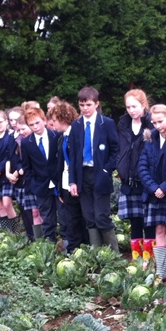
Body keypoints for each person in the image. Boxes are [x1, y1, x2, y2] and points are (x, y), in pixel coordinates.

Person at [69, 86, 120, 251]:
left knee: (101, 216)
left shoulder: (107, 123)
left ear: (97, 104)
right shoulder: (76, 125)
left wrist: (107, 170)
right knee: (89, 217)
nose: (85, 109)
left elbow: (116, 150)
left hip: (100, 174)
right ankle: (97, 254)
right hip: (83, 175)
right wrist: (73, 181)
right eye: (82, 105)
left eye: (88, 105)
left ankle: (113, 255)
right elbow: (73, 155)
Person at [139, 104, 166, 282]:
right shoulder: (149, 140)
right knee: (158, 229)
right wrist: (154, 188)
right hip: (153, 194)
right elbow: (142, 168)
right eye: (154, 122)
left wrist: (164, 188)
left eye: (160, 121)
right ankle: (161, 271)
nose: (157, 125)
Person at [116, 89, 155, 263]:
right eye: (128, 107)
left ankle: (150, 260)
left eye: (135, 106)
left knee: (149, 222)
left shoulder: (151, 124)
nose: (131, 110)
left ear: (144, 105)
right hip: (128, 182)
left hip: (146, 182)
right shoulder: (123, 124)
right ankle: (138, 261)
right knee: (135, 222)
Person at [48, 101, 88, 252]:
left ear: (63, 119)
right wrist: (59, 188)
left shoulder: (76, 134)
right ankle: (73, 250)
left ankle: (81, 250)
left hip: (77, 183)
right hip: (65, 184)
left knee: (79, 219)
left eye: (54, 121)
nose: (52, 125)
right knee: (70, 219)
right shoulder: (61, 137)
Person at [21, 106, 60, 242]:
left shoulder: (56, 136)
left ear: (44, 120)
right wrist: (33, 184)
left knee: (65, 215)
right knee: (47, 218)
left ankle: (69, 247)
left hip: (58, 182)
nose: (35, 127)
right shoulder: (26, 142)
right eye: (31, 125)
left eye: (37, 123)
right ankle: (50, 246)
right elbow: (26, 166)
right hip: (41, 185)